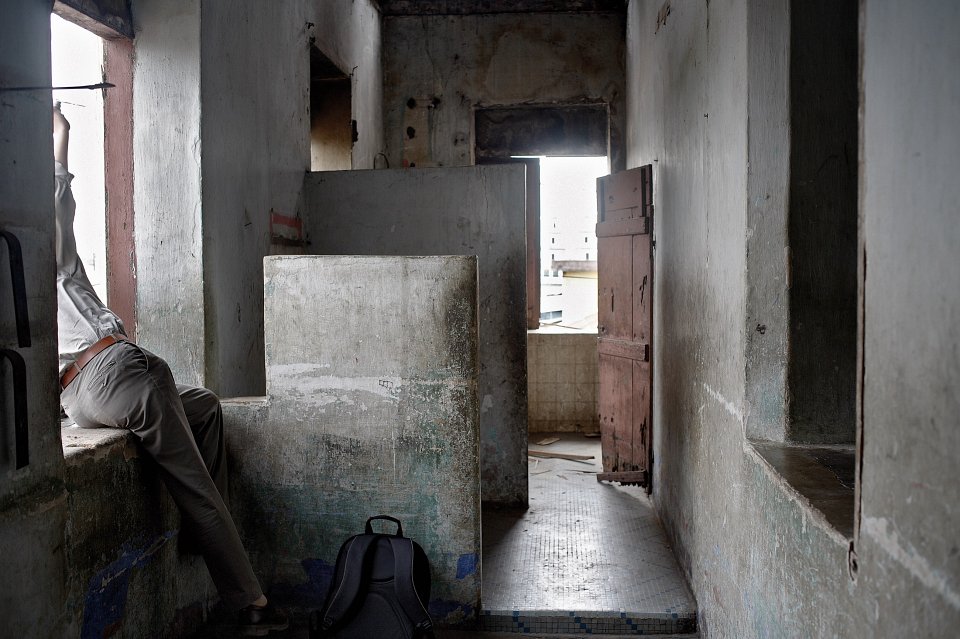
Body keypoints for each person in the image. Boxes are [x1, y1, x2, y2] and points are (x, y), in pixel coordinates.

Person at [52, 103, 288, 635]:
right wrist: (60, 135)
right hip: (113, 371)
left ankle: (197, 533)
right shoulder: (49, 256)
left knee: (204, 406)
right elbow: (56, 200)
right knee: (196, 482)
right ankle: (251, 600)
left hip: (79, 398)